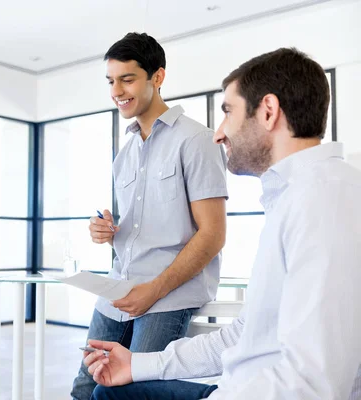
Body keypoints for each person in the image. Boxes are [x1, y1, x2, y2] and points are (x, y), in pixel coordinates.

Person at [84, 47, 361, 400]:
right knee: (105, 391)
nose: (219, 134)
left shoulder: (323, 202)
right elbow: (244, 334)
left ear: (269, 112)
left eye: (228, 112)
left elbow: (311, 384)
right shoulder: (297, 197)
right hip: (238, 384)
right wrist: (137, 365)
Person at [71, 32, 228, 399]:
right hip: (116, 292)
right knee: (84, 388)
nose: (116, 90)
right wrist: (107, 231)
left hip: (166, 296)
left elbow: (212, 234)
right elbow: (140, 227)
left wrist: (152, 291)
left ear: (157, 77)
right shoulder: (124, 153)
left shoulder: (196, 140)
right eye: (111, 81)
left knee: (131, 392)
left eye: (127, 79)